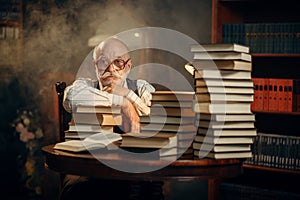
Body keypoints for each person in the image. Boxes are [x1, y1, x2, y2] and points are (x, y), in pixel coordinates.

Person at [60, 37, 164, 200]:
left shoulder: (141, 87)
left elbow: (152, 113)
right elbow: (70, 97)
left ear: (128, 66)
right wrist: (121, 102)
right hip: (92, 169)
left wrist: (126, 94)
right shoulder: (85, 85)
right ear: (95, 66)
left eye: (118, 62)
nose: (110, 69)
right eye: (103, 62)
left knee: (143, 185)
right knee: (76, 188)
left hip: (136, 168)